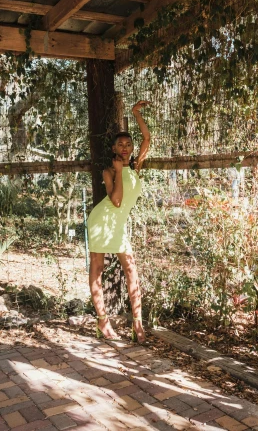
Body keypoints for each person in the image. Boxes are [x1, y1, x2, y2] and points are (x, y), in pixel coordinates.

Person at [87, 100, 152, 344]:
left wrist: (135, 113)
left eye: (128, 144)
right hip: (102, 221)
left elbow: (147, 138)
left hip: (118, 225)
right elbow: (115, 200)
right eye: (120, 145)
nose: (125, 148)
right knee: (98, 269)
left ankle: (138, 324)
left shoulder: (136, 165)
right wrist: (118, 172)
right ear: (114, 148)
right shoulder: (109, 171)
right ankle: (102, 321)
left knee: (131, 269)